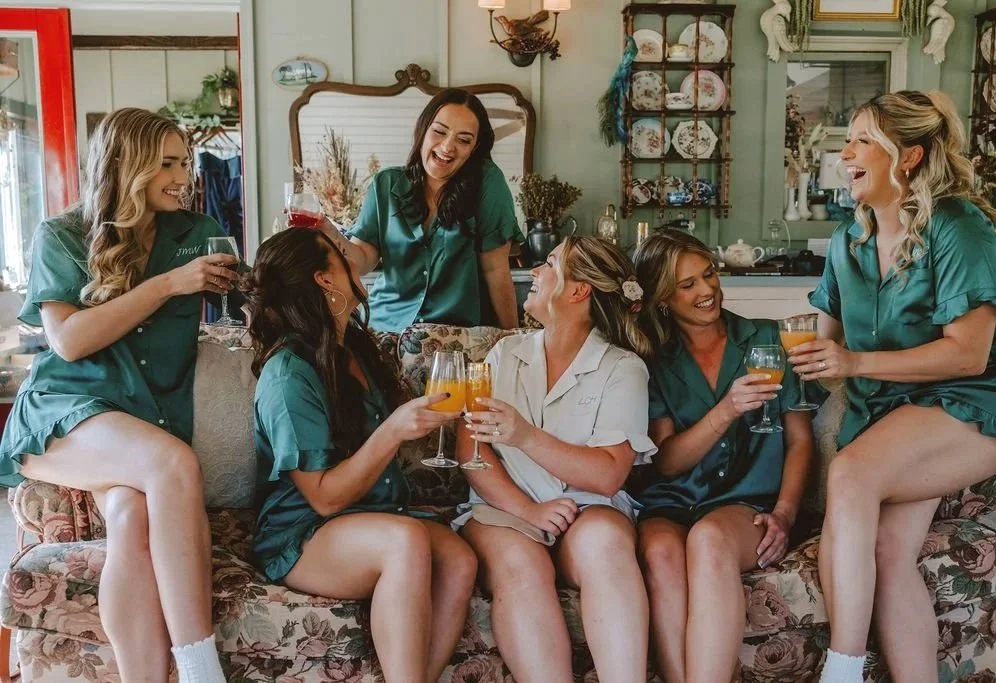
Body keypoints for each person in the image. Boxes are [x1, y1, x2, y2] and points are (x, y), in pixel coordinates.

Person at [788, 90, 996, 683]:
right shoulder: (847, 241)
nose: (846, 154)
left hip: (972, 403)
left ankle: (840, 673)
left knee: (851, 472)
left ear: (910, 156)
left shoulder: (959, 228)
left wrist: (854, 364)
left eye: (863, 139)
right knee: (892, 555)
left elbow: (968, 355)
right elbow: (826, 349)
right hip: (889, 417)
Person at [0, 108, 240, 682]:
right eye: (167, 164)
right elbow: (71, 341)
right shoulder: (61, 235)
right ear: (127, 166)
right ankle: (202, 671)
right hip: (65, 413)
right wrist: (168, 286)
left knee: (132, 516)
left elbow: (243, 298)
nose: (185, 175)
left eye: (185, 161)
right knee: (172, 463)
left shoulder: (198, 232)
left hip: (144, 417)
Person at [241, 227, 478, 683]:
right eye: (342, 255)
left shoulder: (356, 347)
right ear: (324, 280)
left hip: (374, 512)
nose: (356, 260)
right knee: (403, 542)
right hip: (305, 532)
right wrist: (392, 431)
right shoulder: (287, 373)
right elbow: (325, 499)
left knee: (459, 559)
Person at [453, 235, 657, 683]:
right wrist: (528, 509)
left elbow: (607, 476)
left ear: (578, 290)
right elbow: (470, 449)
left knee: (606, 546)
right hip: (504, 508)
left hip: (589, 507)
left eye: (548, 264)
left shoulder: (622, 369)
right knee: (521, 564)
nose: (535, 272)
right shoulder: (505, 353)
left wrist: (525, 436)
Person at [631, 230, 822, 683]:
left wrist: (786, 513)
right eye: (687, 285)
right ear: (662, 299)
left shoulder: (769, 340)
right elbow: (667, 462)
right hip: (672, 499)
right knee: (659, 551)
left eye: (708, 275)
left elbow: (800, 440)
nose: (706, 290)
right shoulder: (652, 360)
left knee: (709, 541)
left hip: (743, 502)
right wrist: (727, 410)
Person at [332, 87, 523, 332]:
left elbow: (496, 269)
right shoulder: (386, 184)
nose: (447, 147)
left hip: (454, 337)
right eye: (439, 132)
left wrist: (512, 338)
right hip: (384, 328)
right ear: (423, 130)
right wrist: (331, 235)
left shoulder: (487, 183)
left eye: (463, 140)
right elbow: (363, 259)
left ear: (474, 148)